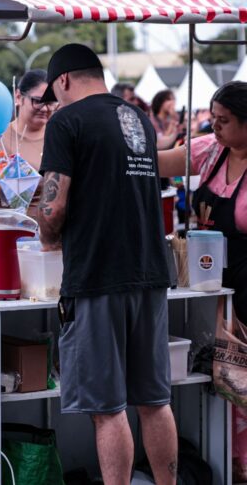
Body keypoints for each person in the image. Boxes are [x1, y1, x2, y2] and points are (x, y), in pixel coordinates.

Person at [36, 43, 176, 485]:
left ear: (62, 81)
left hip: (97, 276)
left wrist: (46, 236)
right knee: (155, 400)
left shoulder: (67, 120)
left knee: (107, 409)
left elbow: (53, 206)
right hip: (151, 271)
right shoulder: (138, 118)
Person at [158, 81, 247, 322]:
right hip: (208, 276)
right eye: (214, 117)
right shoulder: (212, 149)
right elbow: (157, 163)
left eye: (224, 121)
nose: (214, 125)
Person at [0, 69, 55, 217]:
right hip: (4, 232)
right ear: (19, 97)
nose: (45, 108)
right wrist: (2, 182)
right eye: (38, 101)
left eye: (51, 102)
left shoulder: (59, 138)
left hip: (49, 234)